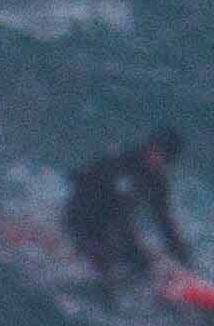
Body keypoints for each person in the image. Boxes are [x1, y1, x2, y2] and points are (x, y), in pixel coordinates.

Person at [61, 126, 189, 297]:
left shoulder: (157, 181)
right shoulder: (121, 162)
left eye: (162, 156)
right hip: (82, 218)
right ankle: (106, 299)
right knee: (108, 264)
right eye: (154, 150)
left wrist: (182, 256)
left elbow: (164, 220)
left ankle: (155, 293)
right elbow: (80, 181)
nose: (155, 157)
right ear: (148, 146)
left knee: (142, 263)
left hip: (112, 224)